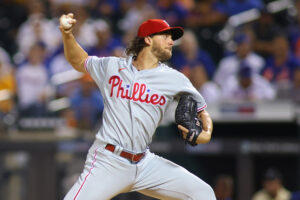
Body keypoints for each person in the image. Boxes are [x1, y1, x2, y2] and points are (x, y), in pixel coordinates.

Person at [60, 13, 215, 200]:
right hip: (108, 161)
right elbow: (79, 61)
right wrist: (67, 34)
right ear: (148, 39)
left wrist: (205, 134)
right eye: (165, 36)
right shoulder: (112, 67)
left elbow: (201, 111)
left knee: (203, 193)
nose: (171, 42)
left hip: (145, 163)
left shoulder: (174, 79)